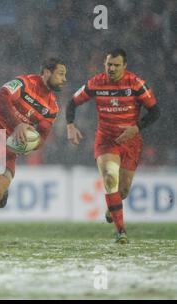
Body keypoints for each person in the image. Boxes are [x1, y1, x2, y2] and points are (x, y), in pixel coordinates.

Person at [0, 58, 67, 248]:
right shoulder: (24, 83)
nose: (64, 79)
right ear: (46, 72)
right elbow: (0, 98)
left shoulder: (52, 107)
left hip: (8, 151)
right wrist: (18, 124)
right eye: (61, 74)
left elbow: (42, 136)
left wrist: (30, 145)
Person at [66, 49, 159, 244]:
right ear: (104, 64)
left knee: (122, 191)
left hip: (131, 142)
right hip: (106, 140)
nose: (112, 68)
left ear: (125, 66)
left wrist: (136, 127)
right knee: (109, 178)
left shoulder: (136, 84)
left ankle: (112, 207)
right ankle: (121, 231)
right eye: (109, 64)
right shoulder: (96, 83)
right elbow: (72, 103)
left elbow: (155, 112)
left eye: (117, 65)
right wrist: (70, 125)